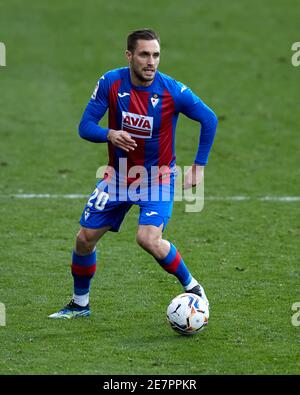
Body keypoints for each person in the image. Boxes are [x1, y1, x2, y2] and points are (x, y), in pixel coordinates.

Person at [49, 29, 218, 319]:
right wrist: (110, 134)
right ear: (129, 56)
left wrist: (198, 166)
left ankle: (193, 288)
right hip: (118, 177)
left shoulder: (172, 91)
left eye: (155, 55)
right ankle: (80, 304)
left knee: (148, 238)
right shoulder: (111, 83)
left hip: (158, 178)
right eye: (144, 54)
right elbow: (85, 126)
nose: (151, 61)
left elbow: (209, 119)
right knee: (84, 239)